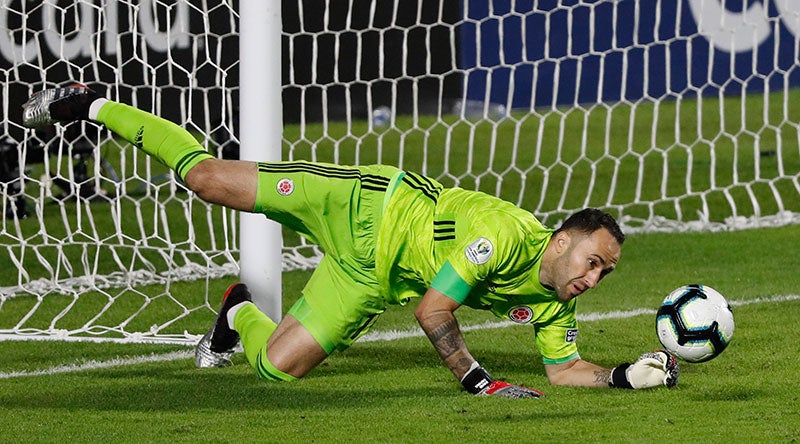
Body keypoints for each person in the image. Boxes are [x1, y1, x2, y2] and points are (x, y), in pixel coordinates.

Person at [22, 85, 679, 398]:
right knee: (208, 179)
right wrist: (478, 380)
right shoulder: (503, 236)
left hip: (373, 277)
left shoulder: (557, 303)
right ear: (562, 240)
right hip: (363, 204)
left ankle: (236, 312)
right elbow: (434, 311)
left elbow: (565, 370)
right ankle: (93, 107)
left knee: (277, 367)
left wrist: (626, 376)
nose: (592, 280)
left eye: (605, 275)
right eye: (592, 262)